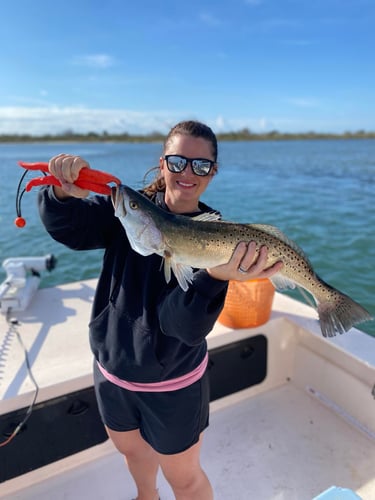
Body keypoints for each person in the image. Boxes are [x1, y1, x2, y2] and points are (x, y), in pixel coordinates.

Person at [38, 120, 282, 500]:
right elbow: (70, 228)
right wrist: (62, 193)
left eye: (200, 165)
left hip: (174, 385)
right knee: (133, 452)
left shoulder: (217, 240)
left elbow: (183, 326)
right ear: (163, 162)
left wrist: (214, 276)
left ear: (212, 173)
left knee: (184, 479)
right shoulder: (127, 212)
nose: (188, 172)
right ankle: (145, 496)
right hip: (113, 373)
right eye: (178, 161)